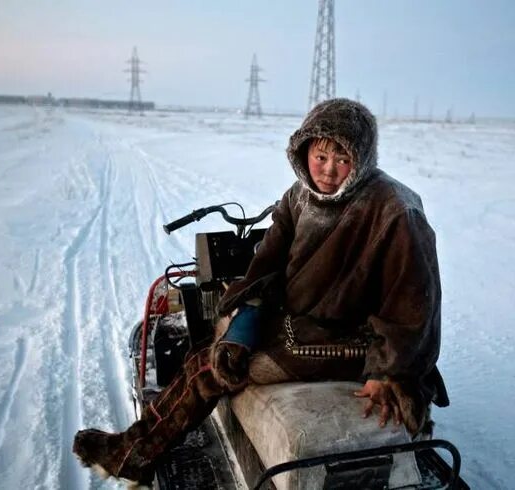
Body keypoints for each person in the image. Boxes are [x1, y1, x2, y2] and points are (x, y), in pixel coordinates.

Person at [73, 98, 448, 487]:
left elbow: (414, 301)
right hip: (306, 323)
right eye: (321, 157)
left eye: (343, 159)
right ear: (305, 151)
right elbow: (268, 259)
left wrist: (389, 371)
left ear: (363, 159)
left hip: (359, 339)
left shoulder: (395, 210)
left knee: (210, 366)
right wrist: (244, 316)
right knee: (218, 343)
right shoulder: (300, 195)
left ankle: (134, 455)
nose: (329, 171)